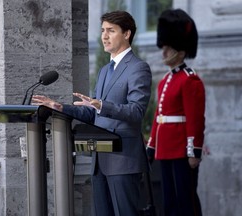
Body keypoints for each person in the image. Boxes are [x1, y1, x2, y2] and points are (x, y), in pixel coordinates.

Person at [32, 10, 152, 216]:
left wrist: (101, 105)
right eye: (103, 30)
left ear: (127, 34)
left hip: (123, 160)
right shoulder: (105, 70)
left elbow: (136, 111)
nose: (104, 36)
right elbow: (94, 113)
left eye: (111, 31)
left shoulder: (138, 68)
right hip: (100, 161)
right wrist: (61, 107)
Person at [146, 9, 205, 216]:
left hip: (181, 150)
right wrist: (152, 146)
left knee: (185, 201)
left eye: (168, 48)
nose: (163, 52)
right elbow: (158, 116)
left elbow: (195, 119)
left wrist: (193, 151)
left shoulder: (190, 80)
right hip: (166, 148)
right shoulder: (165, 81)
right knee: (169, 201)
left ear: (180, 51)